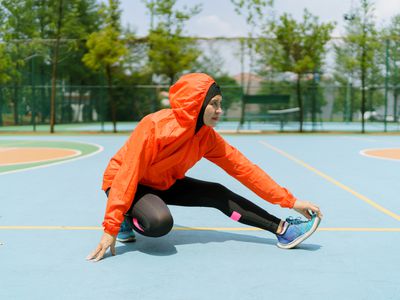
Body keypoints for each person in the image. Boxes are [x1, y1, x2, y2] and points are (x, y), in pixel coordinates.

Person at [87, 73, 323, 262]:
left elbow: (245, 169)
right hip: (126, 181)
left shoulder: (207, 137)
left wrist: (290, 201)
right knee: (159, 223)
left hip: (163, 182)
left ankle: (283, 230)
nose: (220, 110)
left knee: (216, 192)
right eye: (214, 104)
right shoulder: (154, 126)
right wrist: (111, 227)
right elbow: (128, 173)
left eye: (221, 104)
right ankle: (127, 216)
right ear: (196, 105)